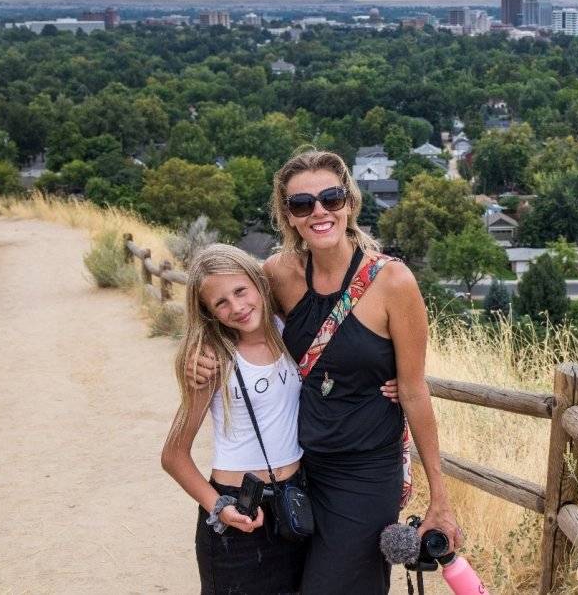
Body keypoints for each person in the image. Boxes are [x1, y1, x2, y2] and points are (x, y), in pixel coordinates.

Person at [189, 149, 462, 594]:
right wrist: (195, 353)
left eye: (330, 198)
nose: (319, 211)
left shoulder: (393, 283)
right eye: (302, 204)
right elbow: (229, 311)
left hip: (365, 470)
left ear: (349, 203)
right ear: (288, 216)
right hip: (302, 468)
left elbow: (414, 391)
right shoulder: (278, 274)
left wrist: (441, 499)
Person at [161, 243, 307, 594]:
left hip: (296, 499)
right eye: (220, 303)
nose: (237, 307)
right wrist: (219, 507)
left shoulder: (291, 333)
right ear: (208, 313)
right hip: (239, 507)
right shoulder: (214, 360)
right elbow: (173, 455)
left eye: (241, 291)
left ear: (259, 283)